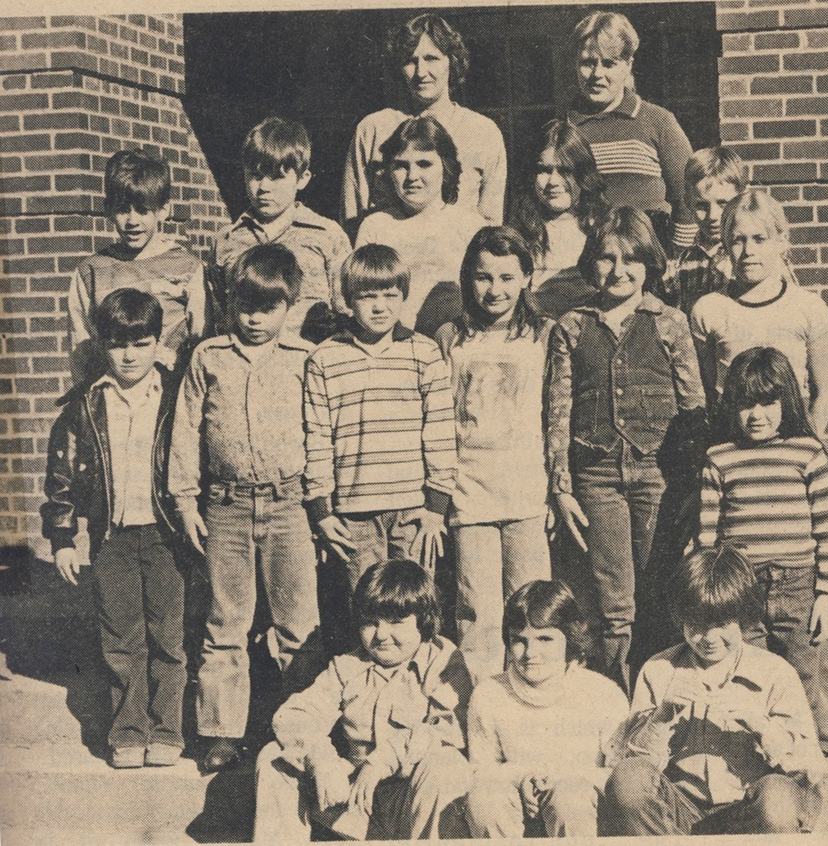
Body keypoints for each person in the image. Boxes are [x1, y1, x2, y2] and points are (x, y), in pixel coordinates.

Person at [168, 243, 322, 774]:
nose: (255, 319)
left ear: (290, 305)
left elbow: (322, 434)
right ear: (229, 302)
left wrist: (323, 507)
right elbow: (186, 429)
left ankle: (302, 728)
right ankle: (220, 732)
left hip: (290, 506)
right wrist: (185, 499)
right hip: (226, 507)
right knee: (226, 622)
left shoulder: (305, 359)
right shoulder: (208, 357)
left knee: (298, 624)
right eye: (246, 305)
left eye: (269, 307)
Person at [546, 207, 705, 693]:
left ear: (650, 264)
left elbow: (694, 407)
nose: (618, 271)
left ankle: (666, 696)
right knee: (614, 602)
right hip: (596, 478)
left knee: (661, 589)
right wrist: (562, 487)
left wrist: (692, 486)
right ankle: (617, 700)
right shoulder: (572, 326)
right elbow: (556, 412)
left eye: (631, 259)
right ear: (590, 262)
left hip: (657, 475)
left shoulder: (668, 322)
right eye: (607, 259)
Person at [42, 289, 186, 769]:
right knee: (121, 636)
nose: (129, 355)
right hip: (113, 538)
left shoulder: (176, 393)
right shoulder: (85, 405)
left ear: (157, 342)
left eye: (141, 343)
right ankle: (127, 731)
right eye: (118, 344)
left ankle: (166, 731)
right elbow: (60, 476)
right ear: (101, 344)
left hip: (168, 535)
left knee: (168, 636)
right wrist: (63, 538)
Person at [604, 546, 824, 835]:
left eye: (721, 625)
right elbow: (623, 764)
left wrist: (761, 726)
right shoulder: (659, 669)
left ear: (743, 618)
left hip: (746, 809)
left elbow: (810, 769)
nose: (709, 638)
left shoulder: (775, 673)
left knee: (779, 798)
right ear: (680, 619)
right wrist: (661, 717)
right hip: (677, 812)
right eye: (696, 625)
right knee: (628, 779)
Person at [304, 244, 456, 655]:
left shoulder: (423, 352)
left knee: (416, 613)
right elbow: (317, 436)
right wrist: (322, 509)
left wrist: (436, 506)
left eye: (390, 294)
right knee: (369, 618)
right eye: (367, 296)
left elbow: (440, 430)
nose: (379, 306)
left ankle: (423, 701)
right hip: (354, 515)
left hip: (413, 512)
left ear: (404, 296)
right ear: (348, 300)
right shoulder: (325, 358)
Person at [254, 559, 472, 842]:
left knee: (446, 764)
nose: (381, 635)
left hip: (411, 803)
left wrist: (380, 763)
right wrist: (320, 758)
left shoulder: (444, 661)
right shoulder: (348, 666)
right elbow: (296, 714)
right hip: (355, 803)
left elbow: (446, 729)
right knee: (274, 757)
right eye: (370, 623)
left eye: (396, 623)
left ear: (423, 621)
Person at [698, 345, 828, 755]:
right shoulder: (720, 459)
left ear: (787, 402)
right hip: (741, 584)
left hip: (798, 582)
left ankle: (816, 747)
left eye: (767, 402)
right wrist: (713, 597)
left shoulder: (807, 453)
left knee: (805, 666)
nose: (756, 415)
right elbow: (708, 534)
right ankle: (756, 748)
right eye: (745, 404)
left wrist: (825, 596)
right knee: (749, 667)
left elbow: (826, 531)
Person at [435, 226, 553, 684]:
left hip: (526, 492)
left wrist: (554, 488)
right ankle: (480, 707)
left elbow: (555, 415)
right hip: (471, 494)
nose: (495, 289)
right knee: (477, 612)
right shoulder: (451, 336)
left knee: (533, 609)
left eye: (507, 277)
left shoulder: (543, 335)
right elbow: (440, 416)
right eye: (484, 277)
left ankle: (533, 706)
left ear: (526, 277)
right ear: (469, 278)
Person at [466, 580, 629, 838]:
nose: (531, 653)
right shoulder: (489, 694)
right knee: (485, 797)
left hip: (580, 815)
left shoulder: (603, 694)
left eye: (545, 639)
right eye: (519, 640)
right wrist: (520, 778)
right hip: (516, 813)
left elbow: (619, 774)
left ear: (570, 639)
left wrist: (562, 777)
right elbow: (481, 768)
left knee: (569, 795)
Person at [691, 188, 828, 435]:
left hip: (793, 444)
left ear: (780, 242)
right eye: (738, 240)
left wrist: (808, 444)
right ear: (725, 244)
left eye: (759, 239)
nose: (748, 252)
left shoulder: (808, 307)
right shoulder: (709, 310)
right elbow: (705, 394)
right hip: (734, 446)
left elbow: (823, 392)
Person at [342, 12, 506, 228]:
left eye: (431, 58)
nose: (421, 72)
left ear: (451, 62)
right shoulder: (373, 128)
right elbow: (352, 218)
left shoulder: (483, 131)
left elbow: (491, 222)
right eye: (410, 61)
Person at [68, 149, 206, 384]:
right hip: (116, 400)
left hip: (173, 396)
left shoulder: (188, 268)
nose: (132, 221)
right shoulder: (91, 272)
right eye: (123, 209)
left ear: (163, 210)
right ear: (108, 210)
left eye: (143, 210)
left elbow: (200, 339)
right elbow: (82, 351)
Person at [567, 11, 696, 254]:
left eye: (609, 63)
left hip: (649, 261)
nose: (597, 74)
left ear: (628, 65)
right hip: (585, 263)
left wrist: (676, 257)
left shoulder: (658, 122)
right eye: (587, 62)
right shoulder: (564, 129)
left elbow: (687, 199)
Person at [210, 115, 351, 339]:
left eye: (276, 177)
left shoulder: (327, 235)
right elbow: (219, 318)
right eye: (255, 176)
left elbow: (346, 312)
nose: (264, 187)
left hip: (309, 363)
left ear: (302, 179)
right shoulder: (227, 240)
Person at [354, 115, 486, 337]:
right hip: (393, 346)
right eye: (401, 166)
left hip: (455, 343)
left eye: (424, 164)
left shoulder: (471, 226)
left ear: (446, 167)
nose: (412, 176)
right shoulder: (376, 227)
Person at [509, 119, 606, 320]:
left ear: (583, 174)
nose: (553, 181)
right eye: (544, 170)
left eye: (565, 171)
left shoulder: (602, 227)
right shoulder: (520, 231)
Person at [655, 145, 746, 319]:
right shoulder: (679, 267)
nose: (713, 216)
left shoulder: (753, 256)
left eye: (723, 203)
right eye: (702, 205)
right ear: (688, 202)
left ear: (741, 199)